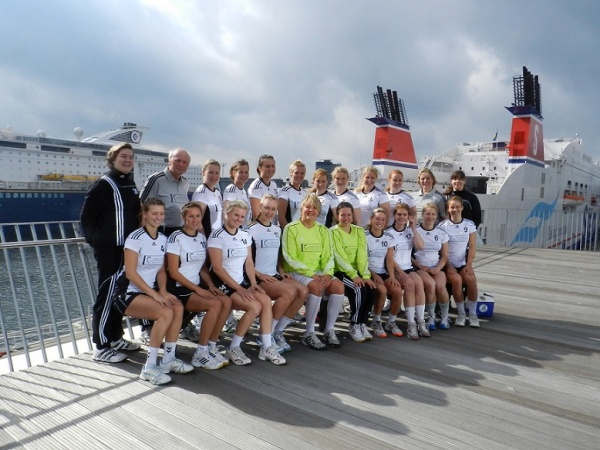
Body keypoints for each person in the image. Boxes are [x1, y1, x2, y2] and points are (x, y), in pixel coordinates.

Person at [112, 198, 193, 385]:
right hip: (126, 293)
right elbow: (131, 273)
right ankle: (149, 367)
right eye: (154, 213)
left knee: (177, 307)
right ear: (145, 214)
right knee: (165, 313)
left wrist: (163, 291)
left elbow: (161, 271)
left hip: (148, 292)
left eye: (161, 214)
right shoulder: (135, 238)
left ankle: (168, 360)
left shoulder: (163, 239)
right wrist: (155, 295)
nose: (158, 217)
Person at [80, 142, 141, 363]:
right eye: (123, 156)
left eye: (130, 157)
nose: (127, 160)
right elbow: (87, 219)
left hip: (127, 250)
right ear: (113, 159)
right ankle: (101, 346)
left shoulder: (129, 183)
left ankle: (115, 337)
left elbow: (135, 214)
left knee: (118, 294)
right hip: (110, 251)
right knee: (106, 296)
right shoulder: (103, 184)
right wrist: (100, 244)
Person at [208, 200, 286, 365]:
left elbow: (249, 263)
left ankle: (266, 347)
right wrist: (239, 289)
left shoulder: (244, 235)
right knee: (254, 306)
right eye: (236, 215)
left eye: (242, 216)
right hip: (223, 284)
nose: (239, 219)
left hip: (241, 283)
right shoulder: (217, 236)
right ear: (227, 214)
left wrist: (253, 283)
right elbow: (217, 268)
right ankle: (233, 347)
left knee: (265, 300)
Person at [166, 202, 233, 369]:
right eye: (191, 216)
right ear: (183, 217)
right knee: (214, 304)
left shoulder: (202, 237)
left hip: (196, 287)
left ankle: (211, 346)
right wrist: (199, 290)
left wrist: (210, 286)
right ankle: (200, 353)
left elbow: (202, 268)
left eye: (198, 216)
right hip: (179, 288)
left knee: (226, 301)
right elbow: (173, 272)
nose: (195, 220)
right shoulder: (176, 237)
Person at [281, 194, 345, 350]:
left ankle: (329, 330)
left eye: (315, 208)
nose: (311, 210)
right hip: (297, 272)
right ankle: (309, 333)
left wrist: (328, 274)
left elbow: (328, 256)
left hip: (319, 272)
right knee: (315, 287)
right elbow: (290, 258)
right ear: (301, 208)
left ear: (319, 212)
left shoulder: (323, 230)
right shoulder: (291, 228)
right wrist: (312, 274)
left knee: (338, 286)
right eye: (308, 206)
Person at [246, 194, 308, 352]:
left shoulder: (277, 229)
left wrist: (281, 270)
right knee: (288, 292)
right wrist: (259, 275)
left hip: (274, 275)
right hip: (257, 278)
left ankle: (277, 331)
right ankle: (265, 334)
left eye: (273, 209)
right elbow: (245, 261)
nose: (269, 212)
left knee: (303, 291)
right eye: (266, 207)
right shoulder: (250, 229)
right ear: (260, 207)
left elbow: (277, 255)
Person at [330, 202, 377, 342]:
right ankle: (354, 324)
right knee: (358, 289)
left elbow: (362, 254)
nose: (346, 218)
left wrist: (366, 276)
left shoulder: (359, 231)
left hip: (357, 271)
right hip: (340, 271)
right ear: (337, 216)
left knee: (372, 288)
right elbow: (339, 257)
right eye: (342, 215)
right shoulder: (332, 232)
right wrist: (354, 276)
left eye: (349, 215)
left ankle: (362, 323)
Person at [387, 203, 430, 340]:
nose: (402, 217)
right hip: (394, 269)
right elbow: (389, 258)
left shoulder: (410, 231)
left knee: (419, 283)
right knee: (410, 285)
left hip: (408, 267)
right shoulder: (389, 233)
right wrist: (400, 272)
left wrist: (413, 227)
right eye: (399, 214)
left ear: (408, 217)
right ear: (394, 216)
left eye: (404, 214)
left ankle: (420, 321)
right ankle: (411, 323)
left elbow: (421, 246)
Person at [438, 195, 480, 327]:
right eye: (452, 207)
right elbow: (441, 250)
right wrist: (447, 265)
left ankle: (472, 314)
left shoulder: (469, 225)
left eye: (457, 207)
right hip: (448, 264)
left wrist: (469, 265)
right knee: (456, 281)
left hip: (462, 263)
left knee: (471, 279)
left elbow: (472, 247)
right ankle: (461, 313)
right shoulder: (442, 226)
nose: (455, 210)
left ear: (462, 208)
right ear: (448, 209)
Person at [365, 208, 404, 338]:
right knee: (382, 291)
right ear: (371, 220)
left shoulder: (388, 237)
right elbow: (361, 261)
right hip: (368, 272)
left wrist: (392, 276)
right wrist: (373, 274)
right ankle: (376, 321)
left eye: (383, 219)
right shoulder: (364, 236)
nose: (380, 222)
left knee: (397, 290)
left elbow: (389, 259)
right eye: (377, 218)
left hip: (383, 272)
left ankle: (391, 322)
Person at [412, 203, 451, 330]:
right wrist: (420, 266)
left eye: (433, 214)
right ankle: (431, 316)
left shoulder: (441, 233)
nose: (430, 216)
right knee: (431, 284)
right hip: (420, 267)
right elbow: (409, 255)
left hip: (436, 266)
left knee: (440, 286)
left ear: (436, 216)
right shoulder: (415, 231)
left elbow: (445, 256)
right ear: (422, 215)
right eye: (427, 214)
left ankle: (444, 316)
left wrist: (438, 268)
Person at [139, 148, 191, 236]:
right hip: (161, 231)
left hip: (181, 232)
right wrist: (144, 235)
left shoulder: (185, 183)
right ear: (169, 161)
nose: (181, 164)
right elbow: (142, 206)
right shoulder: (156, 179)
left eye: (184, 162)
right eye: (178, 160)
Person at [192, 159, 223, 236]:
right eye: (210, 172)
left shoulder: (217, 192)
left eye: (217, 173)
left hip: (218, 237)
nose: (214, 176)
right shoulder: (201, 193)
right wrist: (206, 238)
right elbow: (197, 222)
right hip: (208, 238)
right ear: (203, 172)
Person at [248, 154, 279, 220]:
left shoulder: (274, 185)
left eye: (273, 166)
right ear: (260, 168)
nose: (271, 169)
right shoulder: (256, 186)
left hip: (272, 225)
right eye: (267, 166)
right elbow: (256, 215)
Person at [278, 160, 307, 229]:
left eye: (302, 173)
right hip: (289, 232)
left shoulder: (304, 193)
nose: (299, 175)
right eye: (296, 173)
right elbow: (281, 217)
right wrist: (289, 232)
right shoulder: (285, 191)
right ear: (291, 174)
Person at [223, 159, 252, 226]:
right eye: (241, 172)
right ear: (233, 173)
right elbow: (227, 214)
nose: (244, 175)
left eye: (246, 172)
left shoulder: (243, 191)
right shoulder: (231, 190)